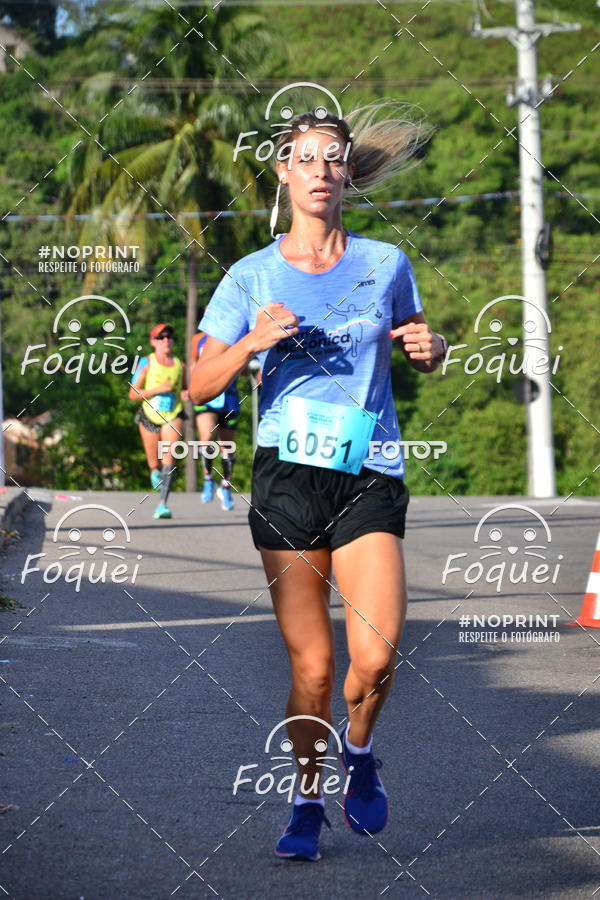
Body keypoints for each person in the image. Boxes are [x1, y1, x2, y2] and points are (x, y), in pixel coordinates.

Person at [190, 102, 447, 861]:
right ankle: (306, 797)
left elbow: (419, 344)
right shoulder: (250, 275)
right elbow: (200, 384)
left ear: (346, 173)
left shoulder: (384, 263)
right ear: (283, 171)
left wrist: (431, 348)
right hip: (287, 480)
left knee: (374, 657)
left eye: (331, 158)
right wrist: (252, 346)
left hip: (368, 472)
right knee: (313, 667)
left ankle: (359, 755)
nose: (320, 170)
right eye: (304, 157)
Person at [129, 323, 188, 519]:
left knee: (168, 459)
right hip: (149, 416)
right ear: (153, 342)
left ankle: (162, 504)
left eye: (169, 336)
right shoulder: (146, 363)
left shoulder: (180, 365)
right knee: (154, 462)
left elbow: (185, 390)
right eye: (161, 337)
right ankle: (154, 471)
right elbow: (132, 393)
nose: (166, 340)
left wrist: (188, 394)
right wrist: (157, 390)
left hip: (173, 414)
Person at [190, 326, 240, 511]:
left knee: (227, 446)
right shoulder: (198, 339)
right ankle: (208, 479)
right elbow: (194, 364)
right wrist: (190, 387)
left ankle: (226, 486)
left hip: (229, 398)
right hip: (207, 396)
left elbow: (242, 365)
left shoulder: (235, 336)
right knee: (206, 437)